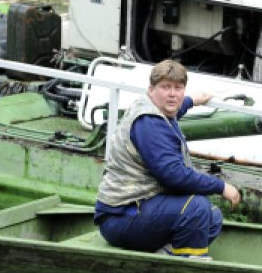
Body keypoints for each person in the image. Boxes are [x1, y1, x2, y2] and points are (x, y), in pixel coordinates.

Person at [94, 59, 241, 259]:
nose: (173, 94)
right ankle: (187, 265)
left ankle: (167, 253)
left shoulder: (153, 107)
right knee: (197, 208)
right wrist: (221, 187)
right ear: (151, 90)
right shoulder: (150, 123)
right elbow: (174, 175)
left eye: (178, 88)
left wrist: (191, 101)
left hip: (142, 207)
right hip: (120, 216)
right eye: (166, 87)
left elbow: (174, 107)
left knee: (212, 218)